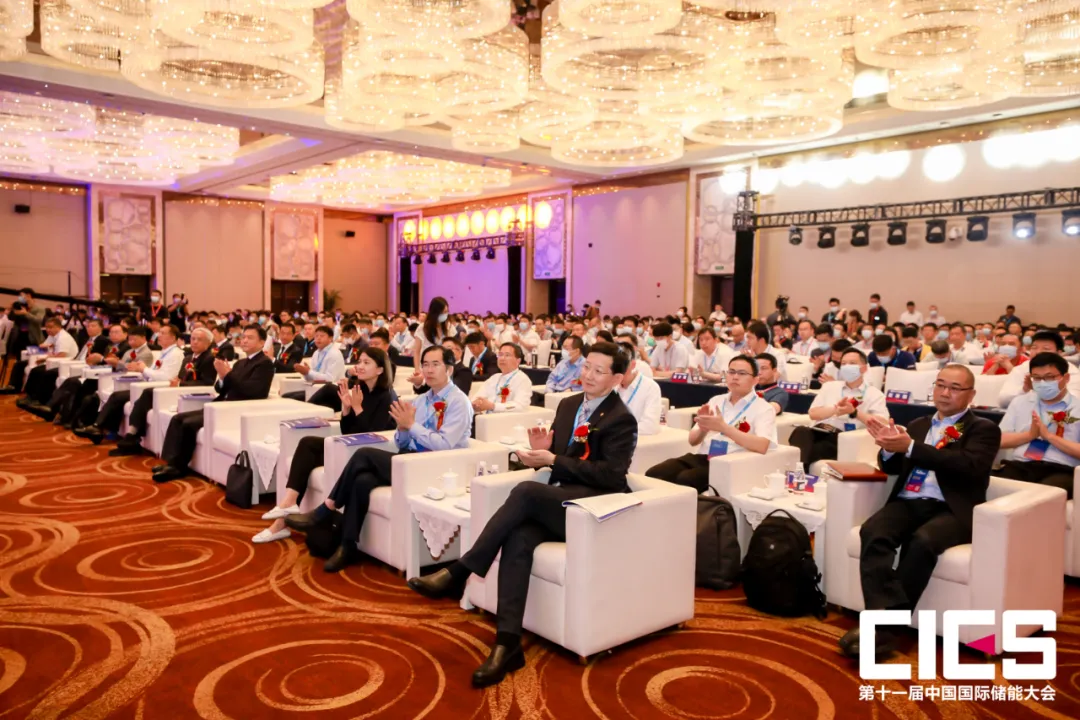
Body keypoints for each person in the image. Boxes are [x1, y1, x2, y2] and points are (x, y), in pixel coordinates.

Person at [406, 342, 637, 687]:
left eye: (599, 371)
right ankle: (507, 643)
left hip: (592, 510)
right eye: (586, 366)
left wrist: (555, 460)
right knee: (518, 538)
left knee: (527, 491)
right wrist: (545, 451)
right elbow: (564, 455)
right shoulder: (569, 404)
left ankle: (461, 569)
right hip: (560, 500)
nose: (588, 374)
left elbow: (612, 476)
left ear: (617, 378)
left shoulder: (621, 418)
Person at [839, 365, 1000, 660]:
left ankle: (883, 630)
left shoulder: (982, 429)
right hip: (910, 500)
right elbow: (892, 467)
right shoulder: (918, 424)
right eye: (940, 385)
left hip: (953, 508)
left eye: (954, 388)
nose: (945, 393)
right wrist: (889, 448)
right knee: (873, 531)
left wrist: (911, 447)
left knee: (922, 541)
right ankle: (883, 621)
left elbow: (969, 465)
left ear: (971, 394)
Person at [286, 345, 473, 571]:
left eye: (435, 364)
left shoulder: (459, 402)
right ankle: (347, 545)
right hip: (409, 460)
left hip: (438, 467)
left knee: (364, 454)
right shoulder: (421, 400)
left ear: (450, 369)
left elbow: (444, 445)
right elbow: (402, 443)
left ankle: (327, 508)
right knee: (362, 480)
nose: (429, 370)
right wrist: (403, 429)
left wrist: (411, 426)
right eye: (425, 364)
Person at [254, 347, 397, 544]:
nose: (360, 366)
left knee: (313, 448)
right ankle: (288, 504)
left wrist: (357, 408)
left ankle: (281, 523)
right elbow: (348, 431)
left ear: (380, 370)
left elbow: (372, 436)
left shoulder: (386, 397)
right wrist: (346, 409)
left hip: (363, 458)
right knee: (308, 443)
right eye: (360, 361)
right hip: (347, 448)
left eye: (367, 363)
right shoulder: (360, 389)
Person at [151, 326, 275, 482]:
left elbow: (253, 391)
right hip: (222, 404)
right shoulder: (241, 362)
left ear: (262, 342)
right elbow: (220, 388)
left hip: (236, 408)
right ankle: (170, 462)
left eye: (249, 338)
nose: (244, 341)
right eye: (243, 337)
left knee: (189, 424)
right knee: (178, 418)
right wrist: (222, 378)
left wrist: (227, 374)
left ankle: (178, 467)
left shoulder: (264, 364)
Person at [645, 354, 777, 494]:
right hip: (704, 457)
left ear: (755, 380)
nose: (735, 377)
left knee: (685, 479)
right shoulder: (716, 400)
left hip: (730, 463)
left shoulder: (763, 408)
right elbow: (692, 441)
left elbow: (762, 445)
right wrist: (703, 428)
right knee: (655, 473)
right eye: (731, 372)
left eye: (742, 373)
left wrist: (724, 428)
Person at [110, 327, 217, 456]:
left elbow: (207, 382)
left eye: (199, 340)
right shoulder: (188, 358)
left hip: (190, 395)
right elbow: (180, 377)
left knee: (149, 392)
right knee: (147, 393)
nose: (194, 342)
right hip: (179, 390)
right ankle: (132, 435)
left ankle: (132, 435)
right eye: (193, 339)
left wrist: (180, 384)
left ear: (208, 343)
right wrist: (178, 381)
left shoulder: (210, 358)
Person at [76, 324, 186, 443]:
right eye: (159, 333)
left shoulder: (175, 354)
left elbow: (166, 377)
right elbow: (153, 373)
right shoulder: (163, 352)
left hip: (159, 388)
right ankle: (100, 428)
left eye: (163, 333)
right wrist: (140, 369)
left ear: (173, 337)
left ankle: (99, 428)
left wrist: (143, 369)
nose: (159, 336)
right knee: (116, 396)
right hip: (148, 384)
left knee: (118, 397)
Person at [995, 352, 1079, 498]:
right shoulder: (1020, 402)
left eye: (1049, 377)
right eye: (1037, 378)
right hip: (1021, 465)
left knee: (1040, 497)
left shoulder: (1077, 407)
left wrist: (1050, 437)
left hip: (1061, 470)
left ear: (1066, 378)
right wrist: (1029, 435)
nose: (1042, 383)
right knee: (988, 485)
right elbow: (998, 440)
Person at [789, 348, 889, 467]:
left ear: (864, 368)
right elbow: (813, 413)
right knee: (801, 431)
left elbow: (883, 422)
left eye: (852, 363)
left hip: (841, 438)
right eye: (844, 364)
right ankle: (800, 470)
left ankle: (798, 470)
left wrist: (854, 412)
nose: (847, 367)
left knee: (811, 448)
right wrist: (835, 410)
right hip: (818, 431)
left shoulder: (874, 394)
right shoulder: (829, 387)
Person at [998, 331, 1080, 408]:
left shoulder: (1070, 371)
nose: (1038, 352)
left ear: (1058, 353)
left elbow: (1073, 401)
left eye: (1046, 349)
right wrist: (1024, 390)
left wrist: (1036, 391)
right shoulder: (1021, 369)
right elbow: (1003, 401)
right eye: (1034, 348)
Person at [471, 343, 532, 414]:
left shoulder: (522, 379)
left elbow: (520, 406)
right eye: (500, 355)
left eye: (507, 355)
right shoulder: (494, 378)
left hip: (505, 419)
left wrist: (493, 406)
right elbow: (478, 396)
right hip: (484, 418)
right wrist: (476, 403)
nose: (502, 358)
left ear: (518, 361)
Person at [616, 347, 662, 435]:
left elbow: (650, 426)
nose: (616, 371)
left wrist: (618, 431)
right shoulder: (610, 385)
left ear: (632, 364)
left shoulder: (650, 387)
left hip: (636, 439)